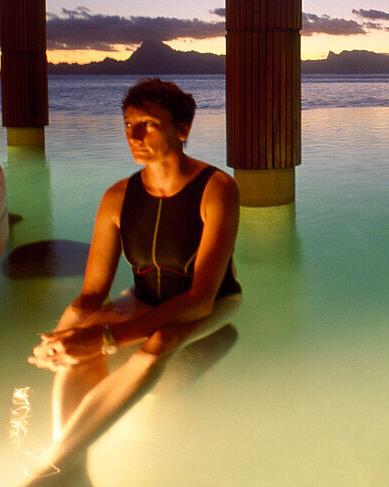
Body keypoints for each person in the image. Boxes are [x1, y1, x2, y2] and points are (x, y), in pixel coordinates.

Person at [23, 78, 241, 483]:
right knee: (82, 341)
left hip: (214, 302)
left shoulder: (218, 189)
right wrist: (62, 337)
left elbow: (200, 298)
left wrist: (107, 339)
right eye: (128, 125)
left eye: (149, 124)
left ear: (183, 129)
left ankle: (51, 468)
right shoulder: (116, 197)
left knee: (162, 340)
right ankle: (71, 467)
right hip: (143, 298)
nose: (135, 136)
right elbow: (91, 294)